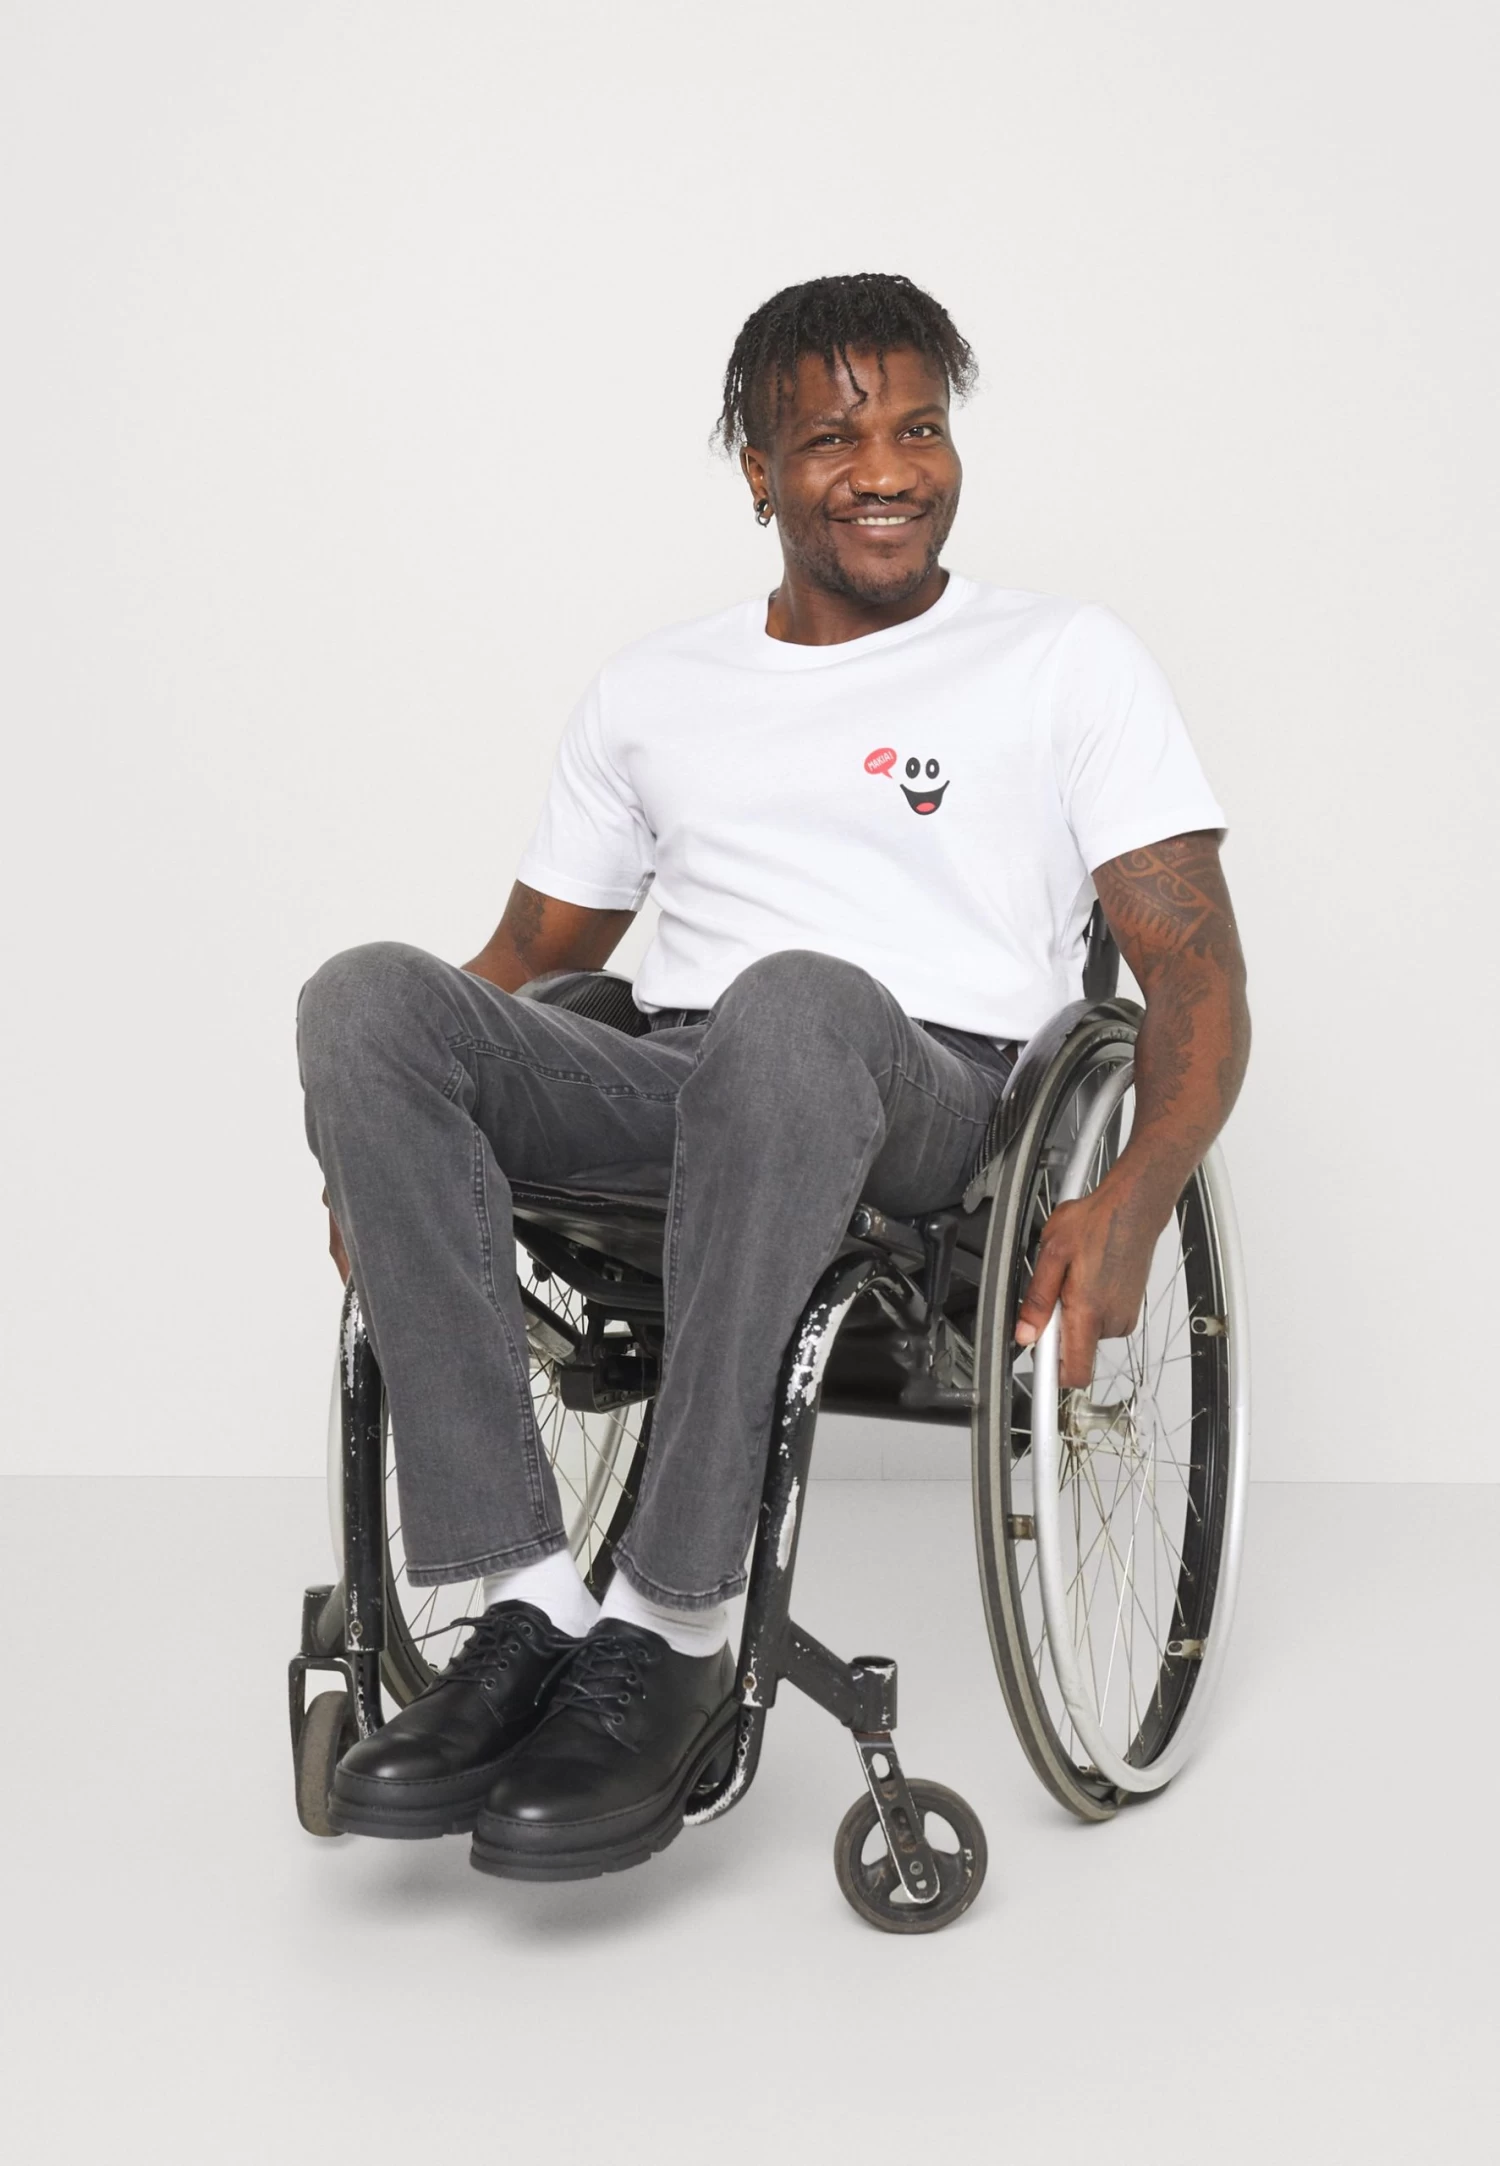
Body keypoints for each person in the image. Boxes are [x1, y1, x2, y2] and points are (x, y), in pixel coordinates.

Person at [297, 271, 1251, 1881]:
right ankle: (524, 1605)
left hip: (928, 1102)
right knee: (365, 999)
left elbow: (1201, 979)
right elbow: (524, 953)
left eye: (920, 430)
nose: (889, 471)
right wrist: (376, 1134)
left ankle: (672, 1624)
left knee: (794, 1005)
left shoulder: (1063, 659)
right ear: (758, 469)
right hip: (676, 1085)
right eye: (834, 440)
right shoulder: (654, 689)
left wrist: (1137, 1197)